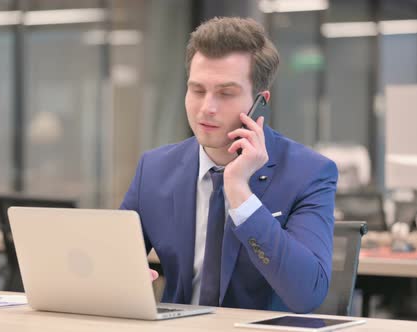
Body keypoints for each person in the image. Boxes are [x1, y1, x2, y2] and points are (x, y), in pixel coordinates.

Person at [120, 17, 337, 313]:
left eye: (225, 93)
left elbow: (307, 294)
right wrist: (123, 280)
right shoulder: (155, 169)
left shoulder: (309, 173)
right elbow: (114, 261)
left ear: (260, 101)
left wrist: (238, 191)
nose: (207, 107)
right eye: (197, 90)